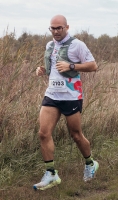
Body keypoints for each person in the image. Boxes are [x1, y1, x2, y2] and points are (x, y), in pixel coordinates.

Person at [33, 15, 99, 191]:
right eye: (52, 28)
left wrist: (72, 66)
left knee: (76, 135)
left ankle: (90, 163)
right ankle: (51, 174)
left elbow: (93, 66)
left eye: (59, 28)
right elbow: (52, 69)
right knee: (43, 133)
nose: (55, 31)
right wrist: (42, 70)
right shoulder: (49, 45)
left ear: (66, 27)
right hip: (52, 96)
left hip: (71, 96)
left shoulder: (78, 45)